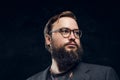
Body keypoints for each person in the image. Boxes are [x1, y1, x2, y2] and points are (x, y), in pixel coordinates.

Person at [27, 11, 119, 80]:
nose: (73, 37)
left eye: (76, 33)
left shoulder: (104, 75)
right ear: (48, 39)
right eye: (65, 31)